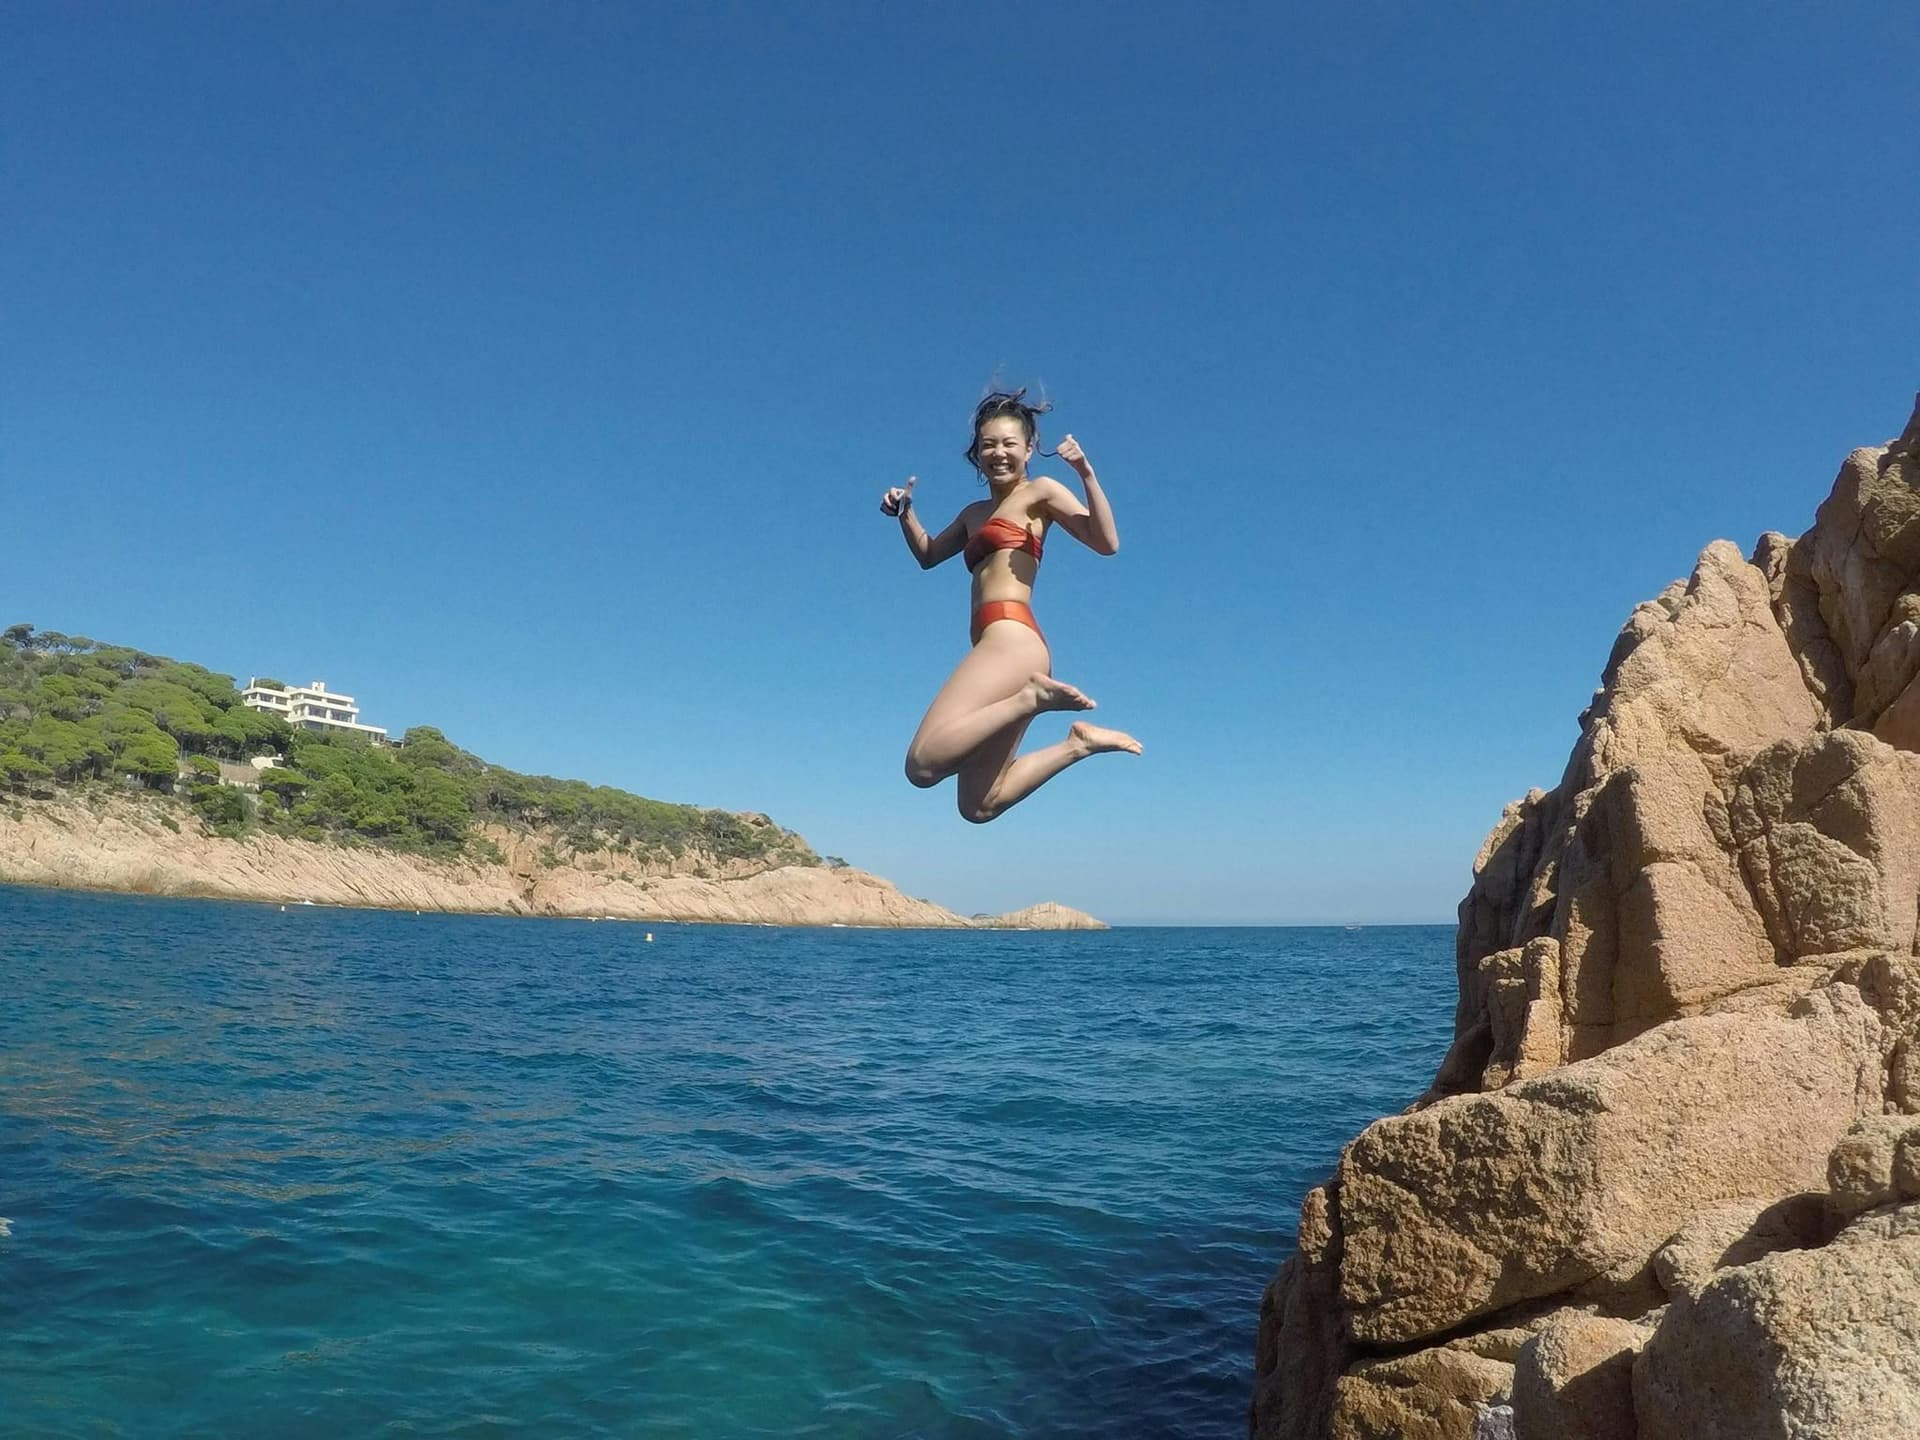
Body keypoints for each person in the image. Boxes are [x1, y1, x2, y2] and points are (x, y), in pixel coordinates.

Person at [881, 389, 1140, 823]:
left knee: (922, 766)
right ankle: (1078, 743)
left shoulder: (1041, 492)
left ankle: (1032, 697)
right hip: (997, 644)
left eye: (1008, 443)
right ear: (976, 453)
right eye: (988, 445)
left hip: (1012, 638)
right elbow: (928, 555)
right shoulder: (973, 514)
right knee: (979, 806)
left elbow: (1106, 542)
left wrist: (1086, 473)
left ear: (1029, 448)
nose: (998, 453)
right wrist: (905, 513)